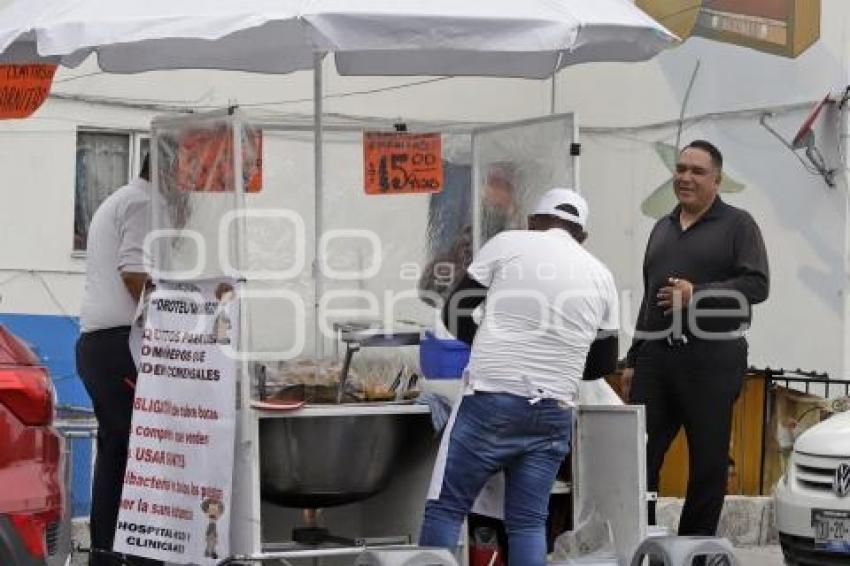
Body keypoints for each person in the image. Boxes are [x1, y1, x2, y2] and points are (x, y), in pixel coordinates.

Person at [419, 188, 620, 566]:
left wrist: (491, 347)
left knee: (446, 508)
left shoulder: (508, 242)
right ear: (582, 236)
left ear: (532, 223)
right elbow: (603, 362)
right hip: (554, 410)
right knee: (527, 522)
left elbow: (455, 311)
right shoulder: (601, 274)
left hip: (491, 401)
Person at [622, 140, 769, 538]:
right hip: (656, 359)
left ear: (717, 181)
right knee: (640, 458)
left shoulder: (739, 225)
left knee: (707, 464)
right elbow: (650, 295)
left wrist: (697, 293)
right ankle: (644, 542)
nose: (685, 177)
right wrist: (634, 358)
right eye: (681, 169)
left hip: (713, 359)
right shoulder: (661, 228)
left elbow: (757, 286)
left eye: (697, 171)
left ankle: (692, 549)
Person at [76, 154, 159, 566]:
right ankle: (130, 554)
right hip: (120, 344)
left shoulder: (118, 199)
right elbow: (135, 274)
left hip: (97, 346)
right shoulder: (144, 203)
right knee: (140, 453)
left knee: (116, 450)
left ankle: (106, 553)